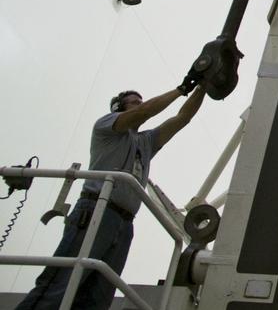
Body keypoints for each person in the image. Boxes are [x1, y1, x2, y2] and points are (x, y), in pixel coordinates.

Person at [17, 83, 205, 310]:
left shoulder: (145, 142)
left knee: (98, 298)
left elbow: (182, 118)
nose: (141, 105)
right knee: (60, 284)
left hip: (124, 224)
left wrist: (203, 86)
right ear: (119, 108)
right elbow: (145, 112)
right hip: (96, 211)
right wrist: (182, 87)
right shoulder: (106, 126)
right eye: (135, 102)